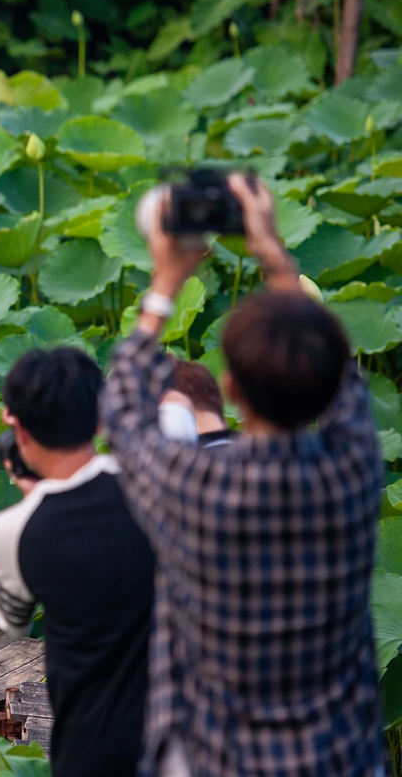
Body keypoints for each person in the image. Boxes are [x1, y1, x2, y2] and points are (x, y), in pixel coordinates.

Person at [102, 175, 385, 777]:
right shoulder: (353, 472)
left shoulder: (196, 486)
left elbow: (124, 407)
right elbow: (344, 384)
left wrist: (165, 282)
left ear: (228, 387)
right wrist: (272, 251)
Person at [0, 347, 154, 776]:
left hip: (91, 748)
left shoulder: (16, 528)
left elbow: (11, 621)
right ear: (100, 420)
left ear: (18, 427)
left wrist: (34, 501)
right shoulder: (155, 486)